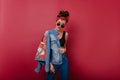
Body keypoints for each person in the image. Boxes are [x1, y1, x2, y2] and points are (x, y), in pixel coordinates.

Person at [44, 10, 69, 80]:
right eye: (58, 23)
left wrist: (64, 49)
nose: (60, 26)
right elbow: (45, 50)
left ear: (65, 25)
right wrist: (49, 63)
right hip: (52, 61)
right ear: (56, 21)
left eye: (62, 25)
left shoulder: (66, 34)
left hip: (63, 60)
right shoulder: (49, 33)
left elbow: (64, 46)